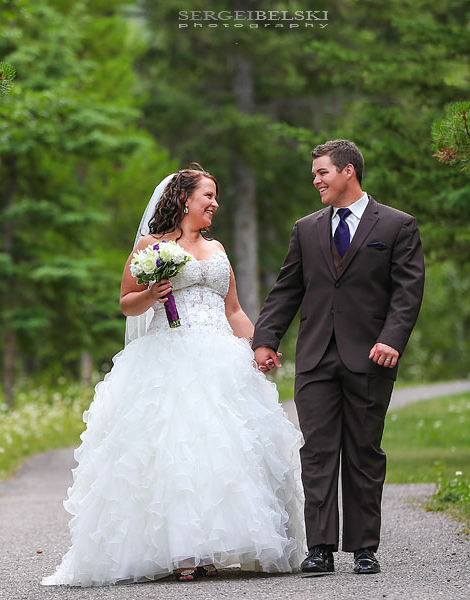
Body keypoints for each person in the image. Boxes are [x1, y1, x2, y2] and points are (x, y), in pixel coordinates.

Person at [42, 166, 304, 587]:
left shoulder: (218, 248)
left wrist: (260, 346)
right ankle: (181, 550)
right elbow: (126, 302)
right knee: (175, 449)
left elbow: (233, 309)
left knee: (223, 447)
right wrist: (151, 294)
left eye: (216, 196)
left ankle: (214, 546)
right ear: (185, 199)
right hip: (168, 357)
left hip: (221, 356)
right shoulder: (152, 247)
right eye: (209, 195)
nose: (215, 203)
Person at [253, 140, 424, 576]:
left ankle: (365, 547)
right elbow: (287, 289)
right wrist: (265, 340)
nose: (316, 181)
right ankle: (321, 548)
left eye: (322, 172)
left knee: (364, 453)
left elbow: (408, 291)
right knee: (318, 454)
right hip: (315, 358)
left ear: (348, 171)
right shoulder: (306, 229)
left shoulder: (398, 225)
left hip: (371, 357)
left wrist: (393, 339)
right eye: (314, 174)